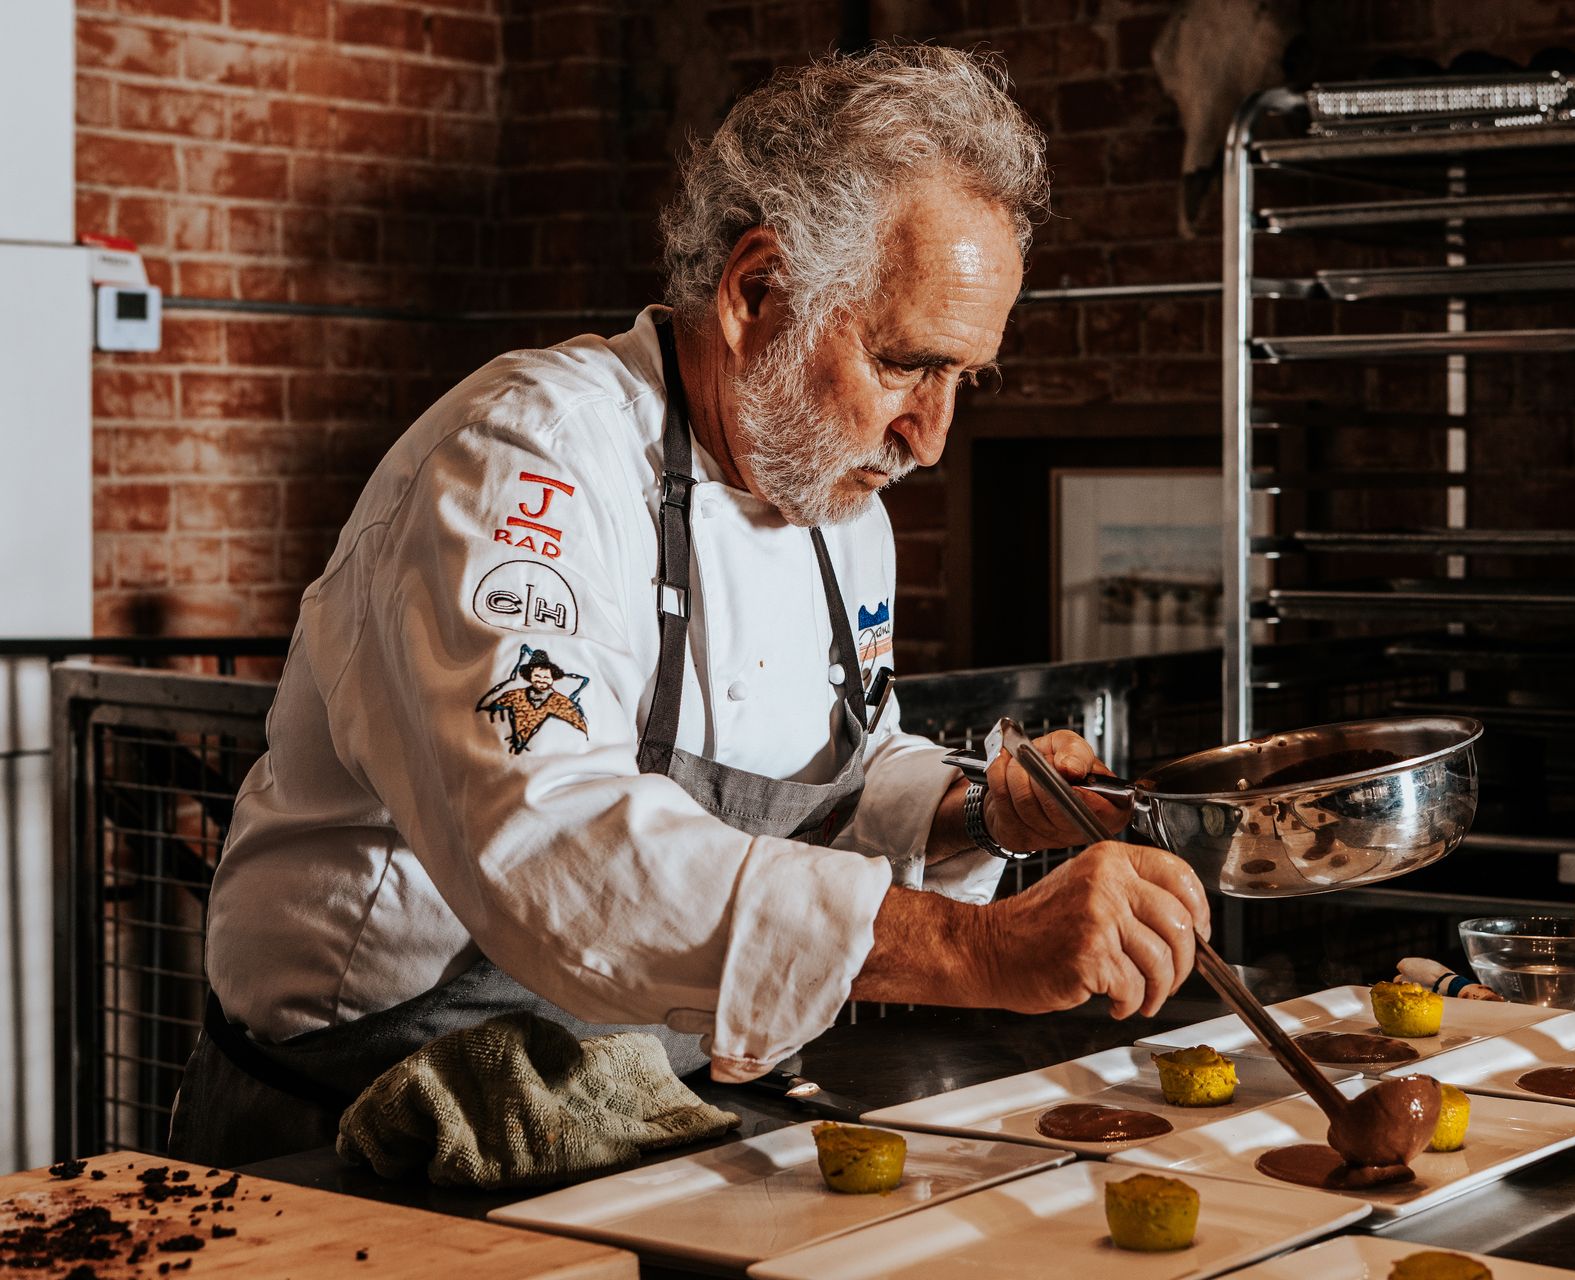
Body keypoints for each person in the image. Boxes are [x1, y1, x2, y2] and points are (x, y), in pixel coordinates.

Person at [168, 43, 1209, 1166]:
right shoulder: (523, 464)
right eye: (907, 363)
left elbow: (840, 766)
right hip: (366, 1123)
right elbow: (556, 844)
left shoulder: (838, 503)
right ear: (757, 293)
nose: (932, 435)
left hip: (632, 1105)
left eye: (964, 377)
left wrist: (980, 814)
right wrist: (983, 949)